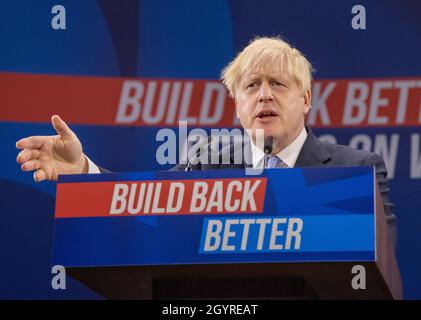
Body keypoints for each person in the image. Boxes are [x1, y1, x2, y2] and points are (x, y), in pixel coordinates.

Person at [15, 36, 396, 246]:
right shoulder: (206, 165)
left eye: (277, 84)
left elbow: (379, 266)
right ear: (237, 105)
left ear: (306, 99)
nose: (264, 95)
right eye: (251, 86)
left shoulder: (356, 170)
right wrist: (82, 170)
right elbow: (145, 211)